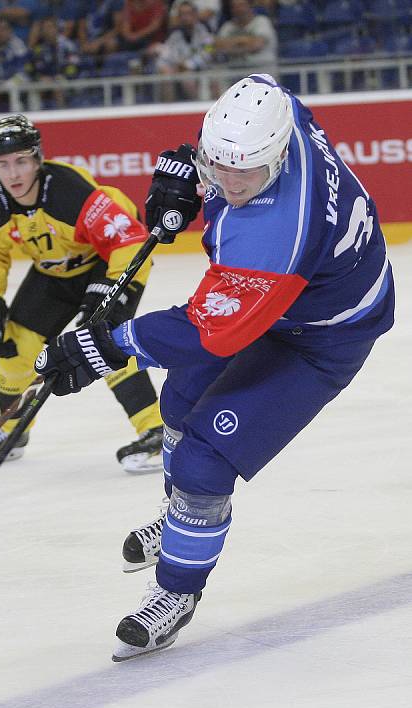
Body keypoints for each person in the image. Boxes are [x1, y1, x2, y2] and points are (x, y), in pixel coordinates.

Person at [35, 74, 395, 661]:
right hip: (294, 300)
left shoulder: (278, 233)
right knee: (178, 401)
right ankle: (179, 518)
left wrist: (102, 346)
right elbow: (222, 148)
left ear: (277, 159)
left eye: (241, 172)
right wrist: (184, 170)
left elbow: (206, 334)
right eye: (216, 163)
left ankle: (175, 592)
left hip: (320, 339)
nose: (226, 181)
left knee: (204, 462)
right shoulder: (275, 108)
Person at [0, 114, 165, 473]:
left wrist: (111, 290)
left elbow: (129, 239)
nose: (13, 174)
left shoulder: (68, 192)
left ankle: (157, 431)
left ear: (38, 159)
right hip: (56, 270)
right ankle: (12, 431)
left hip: (111, 258)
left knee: (103, 342)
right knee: (16, 344)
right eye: (3, 164)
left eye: (22, 161)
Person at [150, 0, 213, 101]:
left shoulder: (205, 33)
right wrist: (164, 66)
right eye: (182, 14)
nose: (185, 17)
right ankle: (168, 111)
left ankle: (196, 108)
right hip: (179, 70)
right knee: (166, 75)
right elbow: (167, 54)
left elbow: (207, 53)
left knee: (187, 78)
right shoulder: (175, 36)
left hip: (201, 70)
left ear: (195, 15)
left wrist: (187, 65)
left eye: (188, 13)